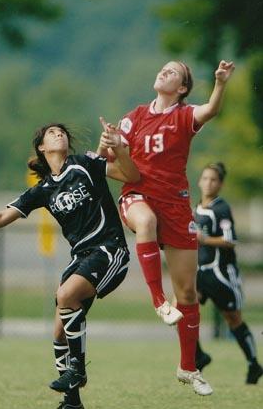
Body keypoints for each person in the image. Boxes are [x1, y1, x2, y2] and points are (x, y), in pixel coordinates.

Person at [0, 122, 140, 409]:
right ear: (42, 148)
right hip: (80, 258)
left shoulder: (85, 163)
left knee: (65, 295)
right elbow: (2, 216)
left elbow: (131, 175)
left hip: (109, 250)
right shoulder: (43, 190)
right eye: (51, 133)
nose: (59, 134)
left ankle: (78, 371)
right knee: (58, 331)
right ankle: (72, 402)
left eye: (62, 132)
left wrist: (118, 151)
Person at [98, 60, 235, 396]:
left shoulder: (184, 115)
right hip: (138, 196)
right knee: (145, 221)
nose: (164, 72)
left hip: (175, 205)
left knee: (188, 293)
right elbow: (110, 161)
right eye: (163, 69)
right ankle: (159, 301)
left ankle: (188, 367)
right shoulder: (135, 115)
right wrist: (109, 142)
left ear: (183, 88)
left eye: (173, 72)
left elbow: (211, 111)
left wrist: (219, 83)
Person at [195, 162, 263, 385]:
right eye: (205, 178)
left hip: (220, 273)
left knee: (233, 319)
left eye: (213, 179)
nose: (208, 183)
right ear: (199, 181)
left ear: (220, 184)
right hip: (199, 272)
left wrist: (204, 240)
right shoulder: (196, 207)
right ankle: (198, 355)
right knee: (181, 309)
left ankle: (254, 364)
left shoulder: (221, 209)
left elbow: (230, 239)